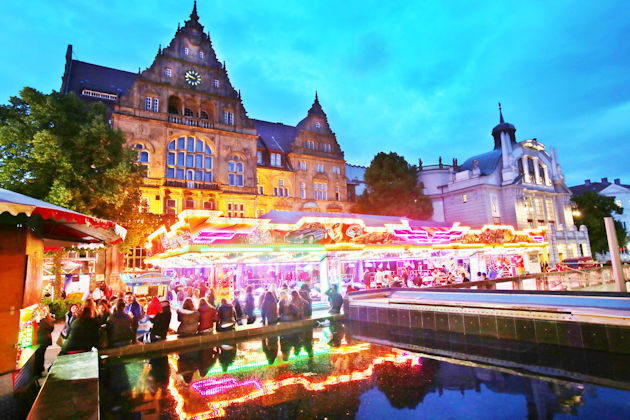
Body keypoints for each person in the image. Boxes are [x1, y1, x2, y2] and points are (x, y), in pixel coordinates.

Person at [35, 305, 54, 377]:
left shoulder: (40, 319)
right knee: (41, 355)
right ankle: (41, 369)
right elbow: (52, 328)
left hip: (40, 340)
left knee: (38, 356)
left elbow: (38, 330)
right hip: (46, 339)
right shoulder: (49, 318)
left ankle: (38, 372)